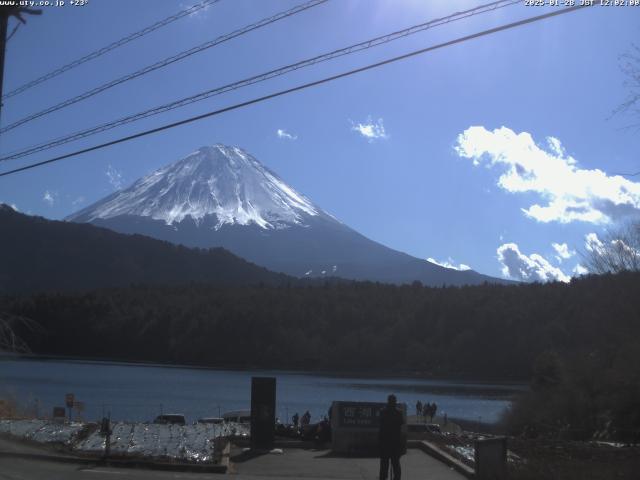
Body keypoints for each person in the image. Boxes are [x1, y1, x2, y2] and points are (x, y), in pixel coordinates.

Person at [379, 394, 404, 480]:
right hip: (395, 442)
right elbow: (400, 427)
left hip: (386, 442)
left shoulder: (383, 412)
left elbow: (381, 428)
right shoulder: (398, 413)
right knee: (395, 464)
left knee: (384, 465)